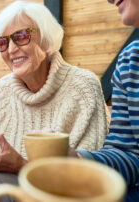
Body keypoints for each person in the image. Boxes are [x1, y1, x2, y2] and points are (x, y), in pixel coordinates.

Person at [0, 1, 110, 202]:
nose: (11, 49)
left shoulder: (83, 85)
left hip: (60, 191)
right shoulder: (4, 88)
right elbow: (3, 158)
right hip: (14, 176)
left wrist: (19, 164)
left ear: (46, 39)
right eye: (3, 42)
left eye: (21, 37)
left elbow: (88, 174)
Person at [69, 0, 139, 201]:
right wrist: (79, 159)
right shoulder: (130, 60)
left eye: (22, 37)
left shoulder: (83, 83)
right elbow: (129, 154)